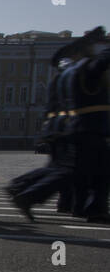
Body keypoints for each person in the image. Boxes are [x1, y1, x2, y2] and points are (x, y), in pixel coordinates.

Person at [9, 27, 110, 223]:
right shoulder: (85, 69)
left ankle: (89, 208)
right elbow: (103, 61)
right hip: (87, 128)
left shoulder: (68, 73)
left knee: (85, 171)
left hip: (75, 128)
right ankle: (27, 193)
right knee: (71, 171)